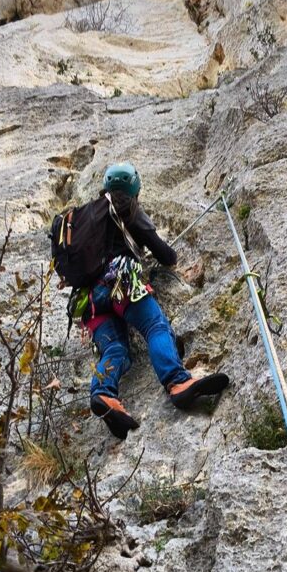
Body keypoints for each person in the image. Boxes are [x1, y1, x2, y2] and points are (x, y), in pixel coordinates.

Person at [83, 162, 229, 439]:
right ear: (135, 189)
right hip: (121, 281)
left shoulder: (89, 215)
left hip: (90, 300)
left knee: (115, 350)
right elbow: (166, 255)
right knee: (155, 328)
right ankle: (177, 381)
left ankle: (103, 394)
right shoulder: (130, 211)